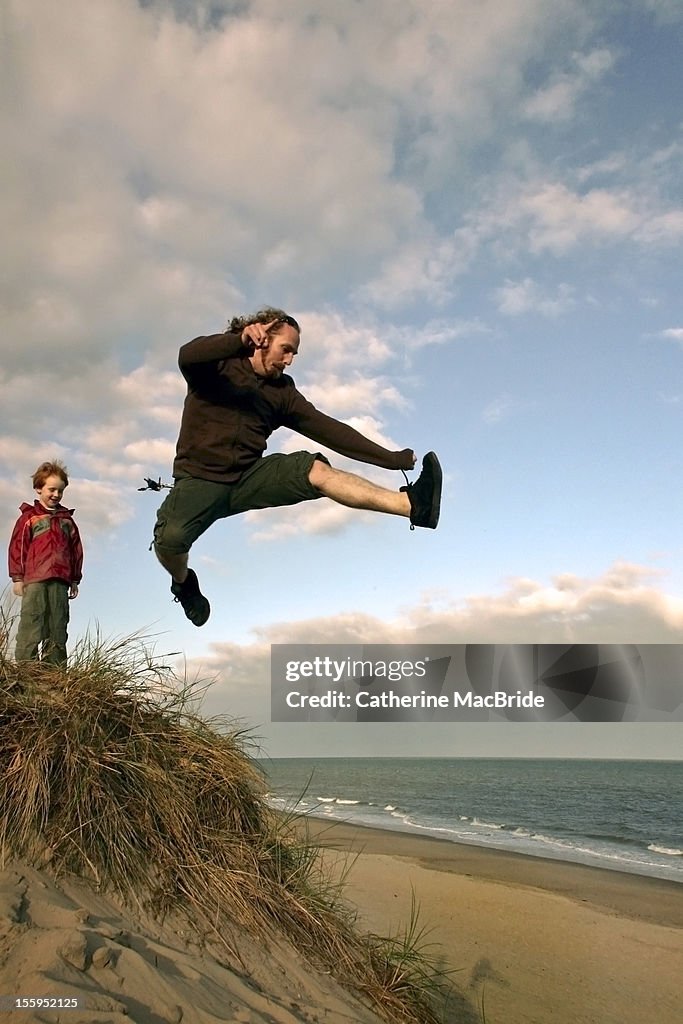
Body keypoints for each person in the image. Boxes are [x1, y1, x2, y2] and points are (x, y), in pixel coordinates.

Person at [153, 308, 442, 626]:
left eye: (294, 353)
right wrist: (237, 341)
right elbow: (188, 355)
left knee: (315, 471)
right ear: (261, 338)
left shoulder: (282, 393)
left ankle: (412, 505)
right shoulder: (216, 367)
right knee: (171, 541)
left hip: (251, 476)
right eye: (285, 350)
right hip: (200, 480)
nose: (289, 360)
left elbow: (331, 431)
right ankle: (183, 583)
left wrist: (390, 458)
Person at [8, 460, 84, 665]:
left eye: (60, 491)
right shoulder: (29, 518)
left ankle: (55, 672)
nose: (56, 495)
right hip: (35, 580)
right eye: (51, 489)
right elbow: (18, 547)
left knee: (58, 625)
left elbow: (76, 550)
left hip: (61, 580)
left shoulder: (67, 520)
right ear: (39, 489)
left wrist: (75, 579)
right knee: (32, 622)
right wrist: (17, 577)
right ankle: (27, 668)